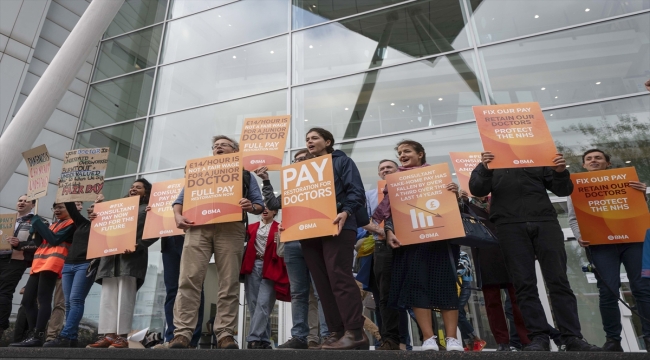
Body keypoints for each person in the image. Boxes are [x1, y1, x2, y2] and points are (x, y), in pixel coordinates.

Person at [469, 151, 601, 351]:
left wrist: (559, 171)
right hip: (508, 225)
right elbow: (477, 189)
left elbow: (563, 189)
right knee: (524, 284)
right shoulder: (492, 160)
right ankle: (538, 337)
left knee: (558, 281)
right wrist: (485, 168)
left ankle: (572, 337)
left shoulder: (538, 157)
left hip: (545, 222)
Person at [168, 135, 264, 349]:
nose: (218, 148)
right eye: (215, 146)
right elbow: (179, 201)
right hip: (198, 228)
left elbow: (259, 206)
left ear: (235, 151)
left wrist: (250, 206)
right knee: (189, 279)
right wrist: (177, 215)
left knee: (228, 282)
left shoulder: (246, 175)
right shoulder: (200, 171)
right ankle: (182, 333)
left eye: (223, 145)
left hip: (231, 229)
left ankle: (225, 334)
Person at [372, 139, 464, 352]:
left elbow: (455, 209)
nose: (402, 155)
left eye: (407, 152)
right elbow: (391, 212)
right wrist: (389, 231)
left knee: (446, 287)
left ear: (420, 154)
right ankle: (428, 338)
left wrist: (455, 194)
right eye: (400, 153)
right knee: (417, 288)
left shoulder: (437, 176)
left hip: (440, 240)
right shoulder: (396, 181)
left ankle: (452, 339)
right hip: (411, 243)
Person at [567, 149, 650, 351]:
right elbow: (573, 217)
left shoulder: (627, 182)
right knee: (608, 291)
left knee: (642, 289)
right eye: (589, 159)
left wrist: (642, 195)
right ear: (584, 165)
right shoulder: (576, 187)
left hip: (633, 242)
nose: (593, 160)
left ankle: (648, 337)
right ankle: (613, 340)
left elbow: (639, 211)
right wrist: (579, 236)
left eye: (598, 158)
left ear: (608, 163)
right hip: (601, 245)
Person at [294, 127, 367, 350]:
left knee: (339, 277)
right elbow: (290, 200)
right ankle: (335, 332)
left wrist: (346, 211)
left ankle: (355, 332)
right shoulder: (302, 170)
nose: (309, 141)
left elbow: (356, 191)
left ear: (328, 142)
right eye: (307, 139)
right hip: (310, 230)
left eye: (314, 137)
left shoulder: (342, 162)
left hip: (338, 225)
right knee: (322, 283)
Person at [255, 150, 330, 350]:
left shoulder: (323, 183)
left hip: (316, 241)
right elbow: (272, 204)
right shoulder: (291, 188)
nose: (299, 163)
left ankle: (327, 335)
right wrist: (266, 181)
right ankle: (299, 337)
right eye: (296, 160)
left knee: (322, 291)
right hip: (292, 243)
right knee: (298, 293)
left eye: (303, 159)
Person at [86, 179, 159, 349]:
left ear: (146, 192)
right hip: (110, 259)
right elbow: (102, 228)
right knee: (108, 297)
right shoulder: (116, 208)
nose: (133, 189)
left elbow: (155, 231)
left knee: (125, 297)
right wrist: (97, 215)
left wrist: (139, 245)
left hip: (130, 259)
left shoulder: (148, 209)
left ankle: (122, 336)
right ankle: (108, 335)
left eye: (138, 187)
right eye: (132, 187)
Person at [461, 194, 530, 351]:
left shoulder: (502, 200)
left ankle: (526, 339)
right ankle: (502, 342)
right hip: (486, 257)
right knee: (492, 303)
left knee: (517, 300)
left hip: (510, 255)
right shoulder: (468, 206)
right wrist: (463, 200)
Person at [362, 159, 413, 351]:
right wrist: (380, 230)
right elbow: (363, 220)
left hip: (410, 244)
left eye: (389, 167)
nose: (385, 170)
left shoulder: (410, 188)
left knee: (412, 294)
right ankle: (390, 340)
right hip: (382, 246)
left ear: (397, 170)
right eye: (382, 168)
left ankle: (422, 340)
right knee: (385, 295)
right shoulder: (370, 195)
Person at [9, 202, 75, 347]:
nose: (57, 210)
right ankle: (34, 334)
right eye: (55, 208)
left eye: (60, 208)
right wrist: (35, 229)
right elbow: (39, 243)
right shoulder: (53, 225)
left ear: (69, 209)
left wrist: (38, 222)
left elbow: (54, 239)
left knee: (43, 299)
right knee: (27, 301)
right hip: (39, 263)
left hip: (53, 263)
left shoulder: (72, 224)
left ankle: (38, 334)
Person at [43, 202, 98, 347]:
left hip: (86, 264)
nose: (89, 208)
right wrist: (66, 190)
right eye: (90, 206)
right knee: (68, 303)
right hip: (68, 265)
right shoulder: (82, 223)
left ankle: (65, 335)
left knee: (76, 300)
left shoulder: (104, 226)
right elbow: (71, 206)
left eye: (93, 206)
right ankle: (72, 337)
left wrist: (101, 207)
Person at [240, 207, 289, 349]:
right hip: (252, 266)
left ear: (275, 212)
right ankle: (265, 340)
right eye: (263, 207)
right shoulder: (251, 227)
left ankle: (254, 338)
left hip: (271, 267)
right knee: (254, 305)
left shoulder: (279, 227)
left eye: (270, 208)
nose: (265, 210)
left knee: (264, 303)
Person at [0, 195, 41, 341]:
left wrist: (20, 244)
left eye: (26, 201)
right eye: (20, 200)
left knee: (4, 293)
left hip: (16, 260)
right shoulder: (7, 219)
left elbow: (39, 244)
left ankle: (1, 327)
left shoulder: (38, 221)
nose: (22, 202)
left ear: (33, 205)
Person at [154, 234, 205, 349]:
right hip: (168, 238)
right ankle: (171, 337)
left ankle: (191, 340)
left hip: (191, 235)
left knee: (194, 287)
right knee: (172, 291)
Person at [455, 249, 487, 351]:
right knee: (459, 315)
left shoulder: (462, 253)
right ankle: (469, 343)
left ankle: (476, 339)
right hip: (456, 286)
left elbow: (460, 270)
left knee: (457, 313)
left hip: (464, 285)